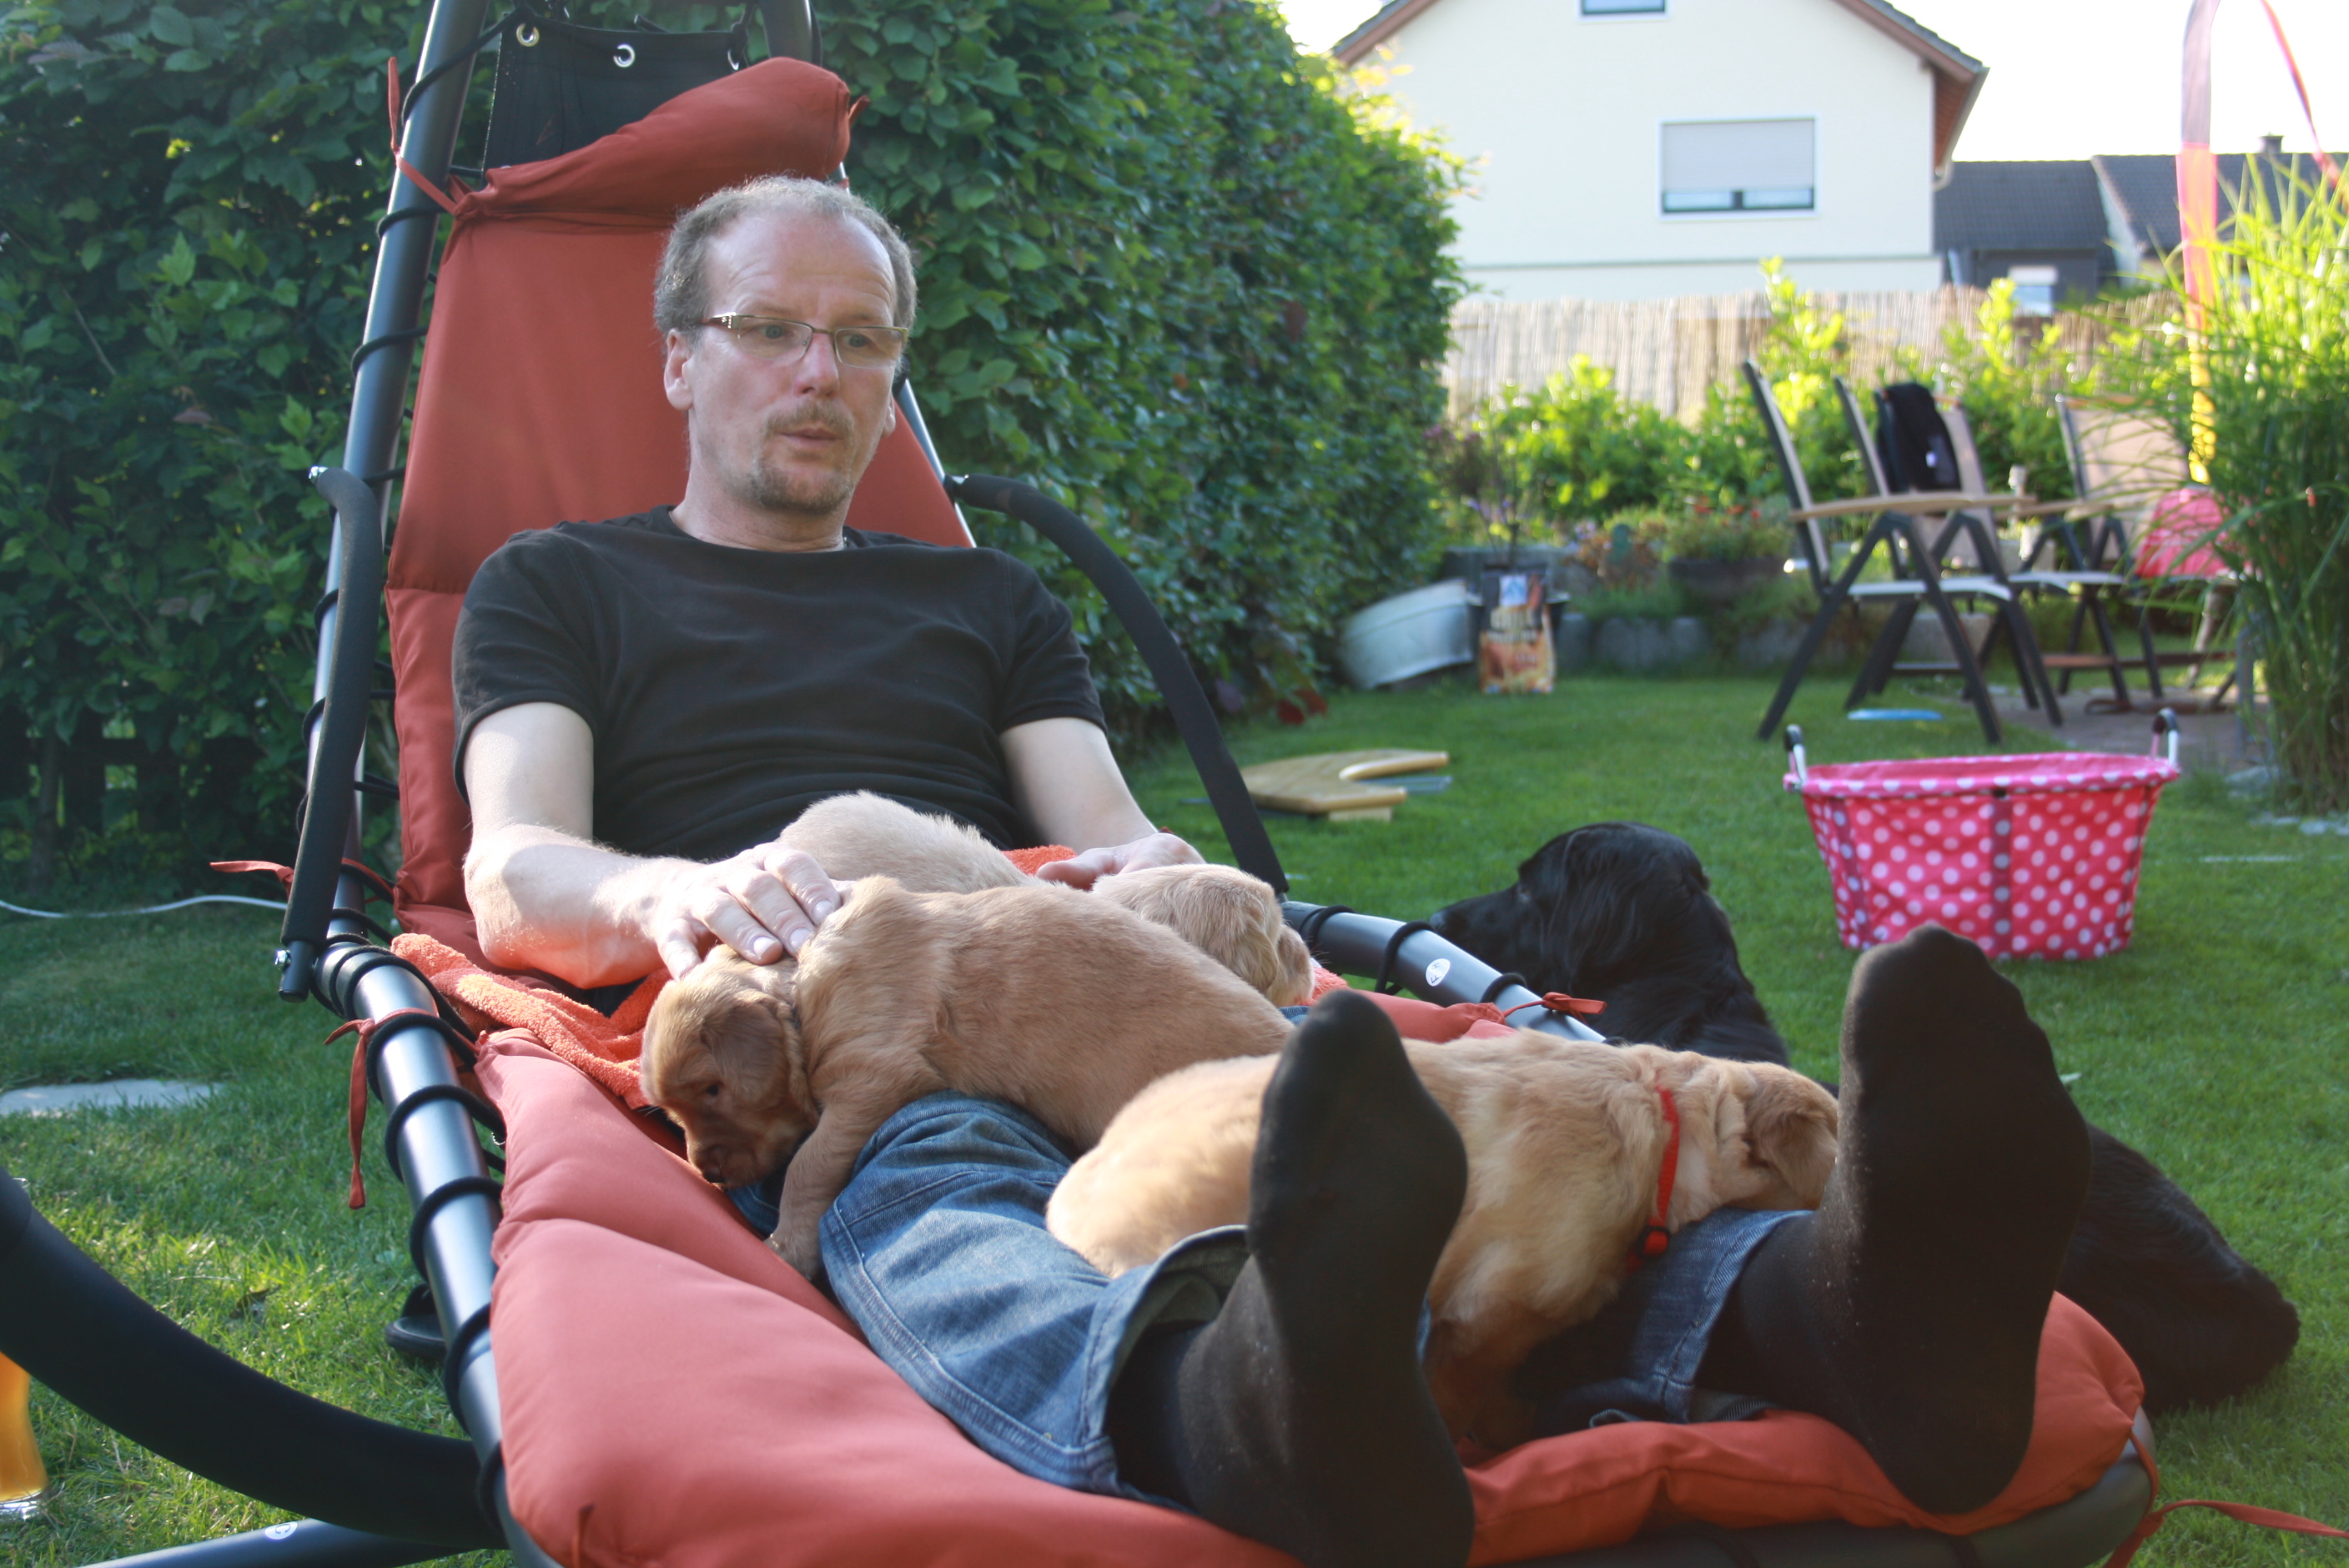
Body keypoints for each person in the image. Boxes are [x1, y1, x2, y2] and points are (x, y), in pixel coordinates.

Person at [452, 176, 2094, 1568]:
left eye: (862, 338)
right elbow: (511, 865)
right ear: (678, 358)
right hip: (843, 1008)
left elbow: (1109, 828)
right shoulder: (562, 584)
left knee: (1495, 1121)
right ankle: (1227, 1411)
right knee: (938, 1163)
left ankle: (1845, 1322)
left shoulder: (983, 599)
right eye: (771, 329)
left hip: (1079, 970)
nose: (822, 372)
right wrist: (659, 892)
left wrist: (1150, 877)